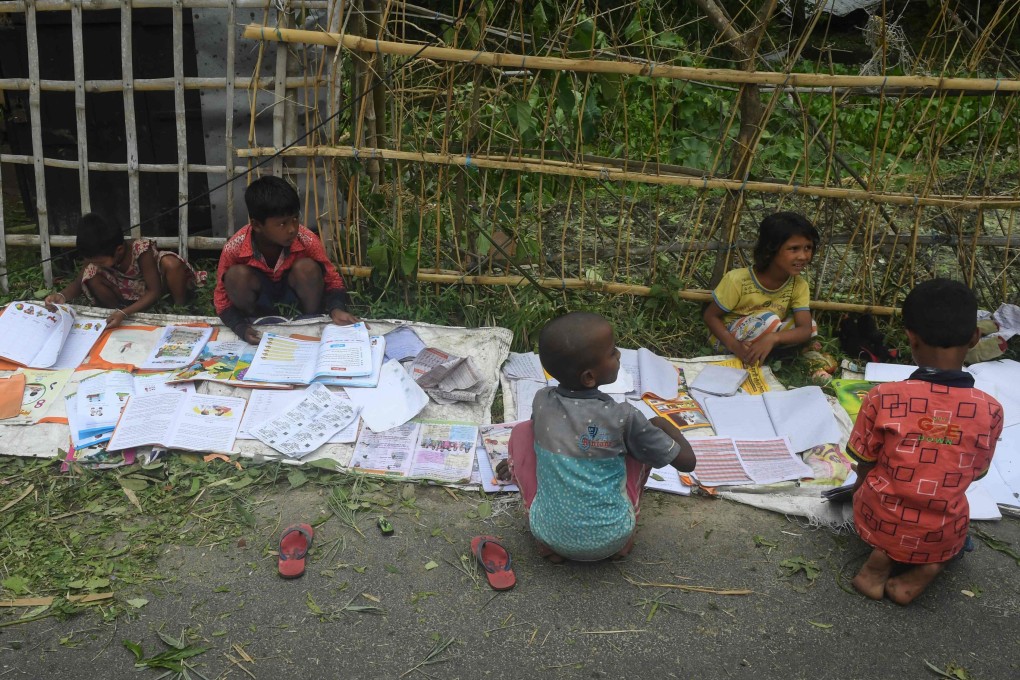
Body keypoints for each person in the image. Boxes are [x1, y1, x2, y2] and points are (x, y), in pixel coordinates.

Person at [848, 279, 1003, 605]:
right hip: (939, 532)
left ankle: (878, 563)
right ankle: (923, 572)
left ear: (910, 338)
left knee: (888, 515)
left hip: (878, 520)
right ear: (975, 337)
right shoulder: (990, 409)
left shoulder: (883, 397)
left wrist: (859, 492)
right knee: (956, 541)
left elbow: (863, 459)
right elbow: (976, 473)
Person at [501, 312, 696, 562]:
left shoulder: (542, 401)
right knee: (639, 445)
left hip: (548, 533)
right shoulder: (624, 417)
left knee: (523, 432)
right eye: (613, 352)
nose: (619, 356)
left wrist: (517, 464)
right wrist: (664, 426)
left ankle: (550, 547)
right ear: (589, 377)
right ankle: (624, 541)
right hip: (612, 538)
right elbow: (687, 463)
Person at [214, 176, 359, 344]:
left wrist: (337, 309)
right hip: (260, 295)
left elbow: (332, 279)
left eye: (295, 219)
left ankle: (309, 320)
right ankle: (255, 322)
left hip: (292, 292)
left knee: (307, 268)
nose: (292, 229)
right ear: (257, 225)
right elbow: (221, 297)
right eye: (282, 224)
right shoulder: (235, 247)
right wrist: (239, 326)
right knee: (235, 276)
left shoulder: (307, 239)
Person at [44, 213, 205, 328]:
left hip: (158, 285)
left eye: (99, 261)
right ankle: (114, 312)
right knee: (90, 274)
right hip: (127, 292)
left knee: (172, 264)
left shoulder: (141, 251)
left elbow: (154, 291)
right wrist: (62, 295)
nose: (96, 264)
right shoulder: (99, 258)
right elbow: (79, 282)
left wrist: (125, 313)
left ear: (119, 250)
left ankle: (179, 308)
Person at [703, 212, 819, 365]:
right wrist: (735, 346)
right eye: (794, 249)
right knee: (769, 320)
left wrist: (774, 338)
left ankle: (765, 351)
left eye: (808, 248)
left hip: (767, 331)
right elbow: (710, 317)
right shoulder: (738, 280)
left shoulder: (799, 285)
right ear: (771, 249)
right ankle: (764, 353)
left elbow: (805, 329)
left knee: (812, 326)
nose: (803, 256)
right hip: (727, 338)